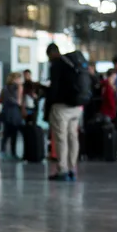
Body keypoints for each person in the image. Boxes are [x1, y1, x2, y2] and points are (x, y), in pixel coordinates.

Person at [45, 43, 89, 182]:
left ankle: (62, 170)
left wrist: (49, 101)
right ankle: (72, 169)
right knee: (73, 137)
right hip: (77, 107)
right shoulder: (73, 63)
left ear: (51, 54)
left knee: (61, 138)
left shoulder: (57, 64)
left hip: (62, 107)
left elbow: (54, 87)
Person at [0, 71, 24, 160]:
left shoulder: (5, 88)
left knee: (7, 134)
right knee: (13, 133)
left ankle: (3, 151)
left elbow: (1, 100)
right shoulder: (17, 87)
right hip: (14, 112)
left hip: (7, 111)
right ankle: (12, 153)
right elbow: (18, 101)